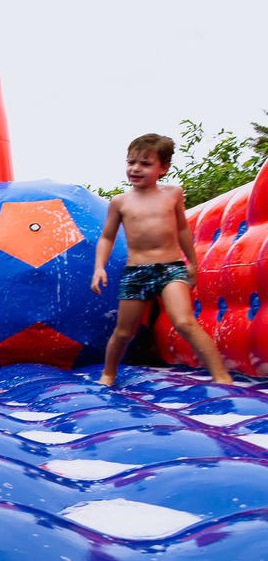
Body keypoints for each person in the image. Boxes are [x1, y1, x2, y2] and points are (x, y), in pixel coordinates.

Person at [91, 133, 232, 386]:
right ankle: (108, 373)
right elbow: (107, 237)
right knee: (124, 332)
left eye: (145, 164)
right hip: (136, 273)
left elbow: (182, 229)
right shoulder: (120, 202)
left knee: (184, 322)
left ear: (163, 169)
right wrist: (99, 267)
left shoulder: (173, 194)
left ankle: (221, 375)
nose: (135, 168)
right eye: (131, 162)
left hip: (171, 269)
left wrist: (192, 262)